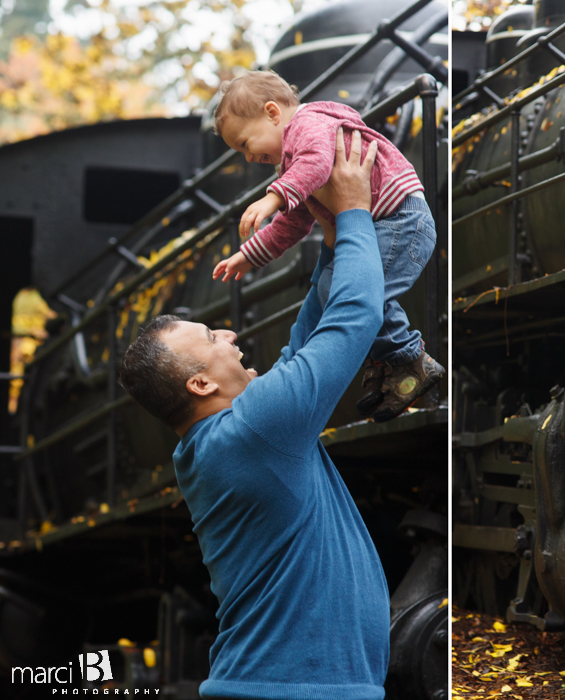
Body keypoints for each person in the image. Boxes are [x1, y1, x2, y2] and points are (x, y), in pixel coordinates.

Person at [119, 130, 391, 700]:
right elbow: (353, 318)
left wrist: (334, 238)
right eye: (212, 336)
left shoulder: (222, 438)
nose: (231, 332)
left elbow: (305, 341)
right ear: (200, 382)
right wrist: (358, 213)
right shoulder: (257, 429)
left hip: (279, 685)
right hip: (292, 690)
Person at [210, 70, 443, 423]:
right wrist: (249, 254)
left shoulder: (310, 123)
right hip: (381, 226)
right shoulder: (291, 162)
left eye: (244, 144)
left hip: (402, 221)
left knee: (347, 289)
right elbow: (294, 223)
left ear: (273, 113)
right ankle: (387, 363)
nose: (247, 157)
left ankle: (410, 359)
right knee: (328, 287)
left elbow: (317, 163)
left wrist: (272, 198)